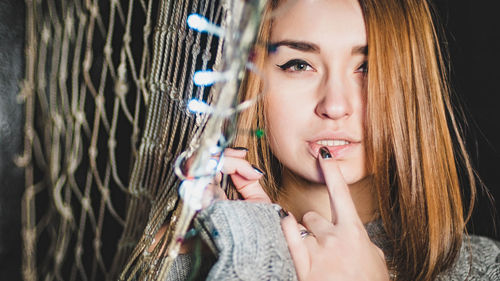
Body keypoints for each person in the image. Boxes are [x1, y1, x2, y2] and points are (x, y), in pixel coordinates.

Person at [154, 0, 500, 280]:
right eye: (299, 65)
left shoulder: (481, 269)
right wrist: (258, 255)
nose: (334, 106)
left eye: (368, 67)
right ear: (251, 82)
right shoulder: (176, 265)